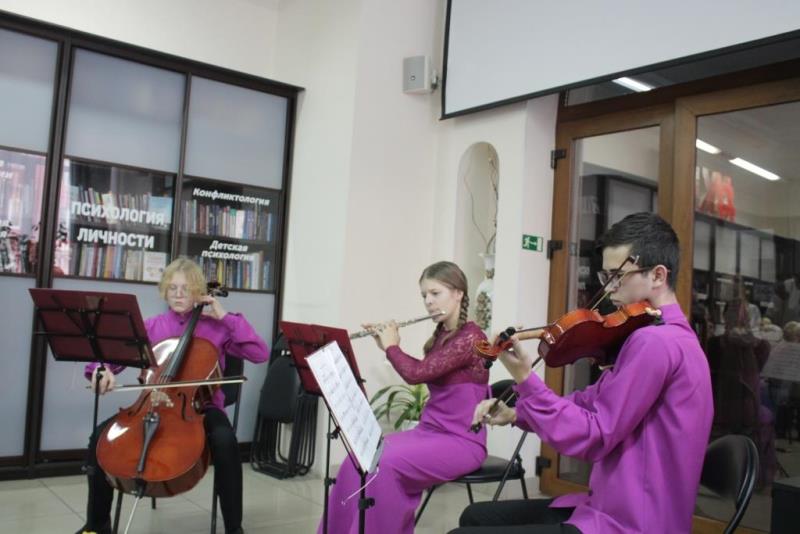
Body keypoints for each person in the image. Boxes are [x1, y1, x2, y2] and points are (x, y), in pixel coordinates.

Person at [455, 212, 714, 534]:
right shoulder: (668, 335)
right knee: (475, 517)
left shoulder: (655, 342)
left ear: (658, 275)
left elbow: (596, 436)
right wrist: (518, 413)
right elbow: (591, 401)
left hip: (631, 522)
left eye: (618, 276)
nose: (609, 288)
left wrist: (525, 378)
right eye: (606, 275)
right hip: (611, 504)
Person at [75, 257, 269, 534]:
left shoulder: (218, 328)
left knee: (225, 441)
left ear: (199, 292)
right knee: (99, 437)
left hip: (201, 409)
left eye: (186, 289)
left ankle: (234, 528)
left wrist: (225, 317)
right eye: (172, 288)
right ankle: (97, 524)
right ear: (164, 290)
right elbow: (108, 359)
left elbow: (260, 354)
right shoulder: (151, 327)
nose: (178, 294)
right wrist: (99, 370)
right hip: (150, 404)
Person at [318, 261, 489, 534]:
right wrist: (386, 346)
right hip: (429, 432)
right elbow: (422, 369)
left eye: (435, 293)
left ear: (458, 293)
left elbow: (416, 374)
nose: (428, 301)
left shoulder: (471, 338)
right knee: (357, 459)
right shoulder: (443, 335)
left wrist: (392, 347)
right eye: (424, 295)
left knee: (382, 465)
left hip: (461, 440)